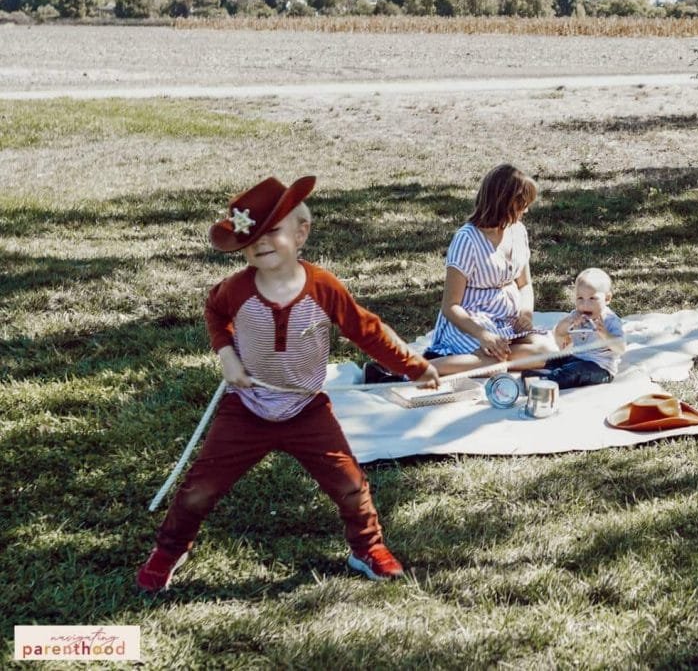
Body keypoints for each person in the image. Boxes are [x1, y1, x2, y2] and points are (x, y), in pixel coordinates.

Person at [136, 175, 440, 592]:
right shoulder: (235, 290)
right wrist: (226, 354)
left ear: (301, 233)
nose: (261, 242)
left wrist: (413, 367)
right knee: (198, 489)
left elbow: (366, 330)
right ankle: (170, 549)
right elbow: (214, 312)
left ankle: (366, 547)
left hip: (306, 409)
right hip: (246, 408)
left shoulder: (323, 288)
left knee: (350, 486)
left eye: (273, 230)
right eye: (252, 236)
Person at [424, 164, 559, 374]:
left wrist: (526, 313)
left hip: (506, 321)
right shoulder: (467, 240)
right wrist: (483, 336)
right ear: (504, 203)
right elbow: (450, 306)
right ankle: (414, 368)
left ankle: (476, 362)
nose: (526, 210)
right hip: (472, 322)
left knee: (549, 351)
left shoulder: (518, 231)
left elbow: (525, 284)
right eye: (522, 204)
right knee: (496, 363)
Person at [542, 267, 626, 387]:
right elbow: (558, 332)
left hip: (599, 367)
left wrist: (605, 334)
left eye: (592, 298)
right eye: (580, 298)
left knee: (574, 372)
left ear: (607, 298)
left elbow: (621, 348)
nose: (585, 304)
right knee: (555, 359)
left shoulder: (610, 320)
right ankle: (544, 374)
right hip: (577, 357)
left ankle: (545, 381)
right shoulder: (576, 315)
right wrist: (569, 321)